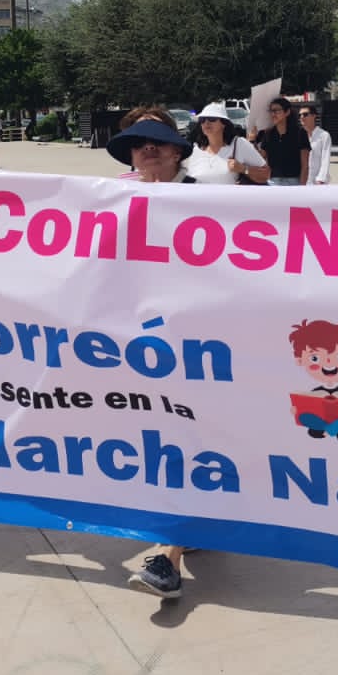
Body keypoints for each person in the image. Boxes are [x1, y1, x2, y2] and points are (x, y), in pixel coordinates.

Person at [111, 117, 200, 598]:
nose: (148, 151)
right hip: (133, 347)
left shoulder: (209, 196)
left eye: (159, 144)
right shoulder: (111, 196)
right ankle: (182, 537)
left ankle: (169, 556)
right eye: (138, 146)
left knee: (185, 442)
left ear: (177, 151)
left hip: (196, 349)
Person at [185, 101, 269, 184]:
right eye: (202, 120)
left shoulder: (239, 144)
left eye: (212, 119)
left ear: (223, 124)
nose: (206, 123)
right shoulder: (195, 150)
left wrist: (243, 169)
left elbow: (266, 174)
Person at [256, 96, 309, 187]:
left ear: (287, 112)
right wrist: (252, 140)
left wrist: (302, 187)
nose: (273, 114)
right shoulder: (268, 134)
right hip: (273, 181)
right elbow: (260, 159)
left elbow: (305, 165)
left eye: (276, 110)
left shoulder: (300, 133)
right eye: (271, 111)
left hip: (294, 182)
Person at [300, 104, 332, 184]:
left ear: (314, 115)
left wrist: (321, 179)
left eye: (305, 114)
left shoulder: (324, 135)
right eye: (300, 115)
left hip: (318, 181)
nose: (302, 117)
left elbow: (325, 158)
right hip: (302, 180)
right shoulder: (298, 135)